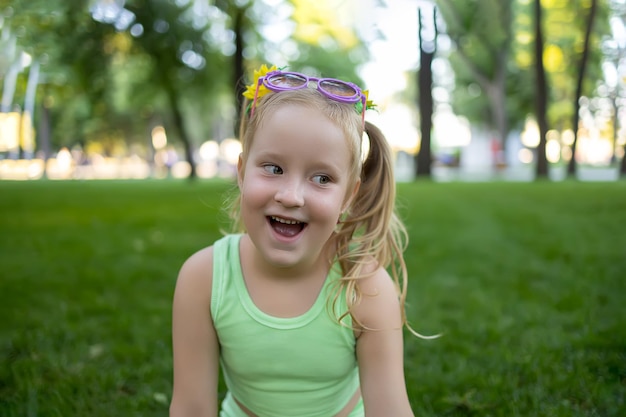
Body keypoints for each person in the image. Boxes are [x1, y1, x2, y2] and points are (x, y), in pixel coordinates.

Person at [170, 64, 417, 417]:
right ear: (241, 172)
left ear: (348, 196)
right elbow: (192, 408)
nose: (291, 196)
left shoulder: (365, 287)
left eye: (321, 177)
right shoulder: (204, 278)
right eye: (273, 169)